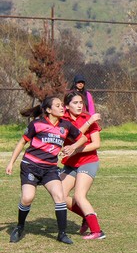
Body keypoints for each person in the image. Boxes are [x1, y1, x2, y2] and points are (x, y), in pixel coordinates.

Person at [5, 95, 87, 244]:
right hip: (31, 166)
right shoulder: (37, 124)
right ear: (49, 110)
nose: (62, 107)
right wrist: (11, 163)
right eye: (58, 105)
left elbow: (83, 138)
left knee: (60, 197)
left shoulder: (66, 125)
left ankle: (62, 234)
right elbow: (22, 142)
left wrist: (73, 147)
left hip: (50, 169)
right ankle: (19, 227)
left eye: (62, 105)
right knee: (27, 198)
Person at [61, 91, 105, 240]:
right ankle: (87, 215)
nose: (79, 105)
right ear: (67, 106)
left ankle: (97, 231)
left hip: (88, 161)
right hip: (71, 163)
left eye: (81, 102)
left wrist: (76, 150)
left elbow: (96, 144)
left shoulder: (88, 119)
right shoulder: (63, 120)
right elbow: (73, 136)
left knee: (79, 196)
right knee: (60, 195)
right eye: (75, 103)